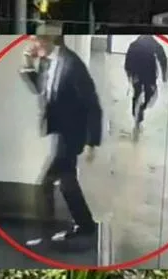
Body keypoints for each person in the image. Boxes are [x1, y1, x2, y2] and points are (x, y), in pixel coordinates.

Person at [20, 23, 103, 246]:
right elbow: (41, 89)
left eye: (38, 40)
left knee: (48, 183)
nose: (34, 44)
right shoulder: (48, 62)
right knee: (67, 182)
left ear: (49, 41)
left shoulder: (73, 65)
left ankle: (47, 234)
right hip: (61, 133)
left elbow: (92, 103)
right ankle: (85, 226)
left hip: (72, 134)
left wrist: (92, 141)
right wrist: (29, 65)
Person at [124, 35, 168, 140]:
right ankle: (139, 114)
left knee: (139, 93)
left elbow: (128, 63)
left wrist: (130, 74)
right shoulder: (149, 44)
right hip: (146, 73)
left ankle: (138, 113)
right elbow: (162, 57)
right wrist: (163, 73)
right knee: (146, 93)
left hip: (140, 73)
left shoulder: (136, 45)